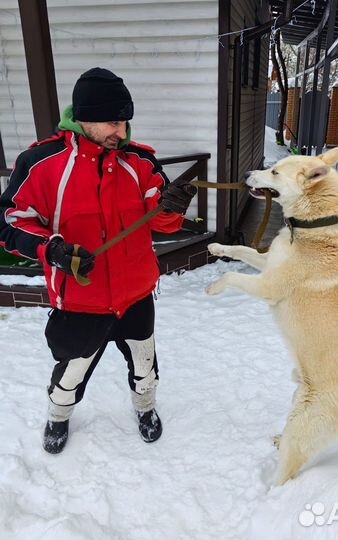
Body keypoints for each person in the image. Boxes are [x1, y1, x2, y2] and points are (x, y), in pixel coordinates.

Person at [0, 67, 197, 453]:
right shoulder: (41, 163)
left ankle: (145, 407)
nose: (121, 132)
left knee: (144, 362)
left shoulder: (140, 162)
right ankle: (58, 417)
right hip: (80, 300)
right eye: (112, 122)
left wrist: (171, 207)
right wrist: (53, 250)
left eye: (124, 122)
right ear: (83, 118)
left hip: (136, 293)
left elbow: (162, 222)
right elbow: (11, 222)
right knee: (72, 371)